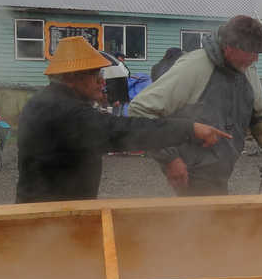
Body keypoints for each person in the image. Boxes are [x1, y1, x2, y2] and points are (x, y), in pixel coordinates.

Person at [16, 37, 229, 203]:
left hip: (48, 207)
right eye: (94, 75)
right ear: (71, 78)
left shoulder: (46, 101)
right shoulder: (66, 112)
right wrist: (189, 129)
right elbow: (123, 131)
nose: (102, 81)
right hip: (53, 215)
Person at [129, 15, 262, 196]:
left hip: (220, 172)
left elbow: (259, 116)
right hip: (189, 174)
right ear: (230, 47)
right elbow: (140, 110)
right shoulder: (195, 66)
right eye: (252, 52)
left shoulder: (246, 69)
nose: (255, 59)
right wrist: (170, 160)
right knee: (200, 222)